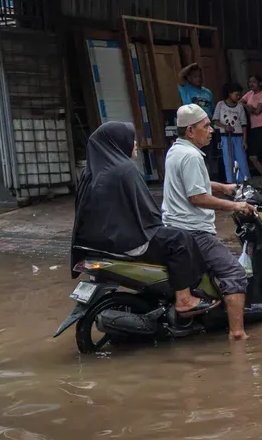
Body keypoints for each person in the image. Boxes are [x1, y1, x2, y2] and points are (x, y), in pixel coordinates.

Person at [70, 121, 217, 317]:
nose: (136, 144)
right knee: (180, 239)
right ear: (118, 143)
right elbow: (149, 213)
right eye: (131, 139)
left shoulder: (91, 174)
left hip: (99, 243)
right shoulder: (125, 170)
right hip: (126, 242)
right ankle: (184, 299)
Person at [163, 104, 258, 342]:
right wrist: (237, 205)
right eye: (206, 126)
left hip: (174, 227)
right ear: (191, 131)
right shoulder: (192, 156)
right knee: (234, 273)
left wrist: (224, 187)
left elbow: (195, 183)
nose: (211, 131)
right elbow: (197, 198)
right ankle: (238, 335)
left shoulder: (175, 150)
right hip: (194, 231)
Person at [213, 83, 250, 184]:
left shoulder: (240, 107)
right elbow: (215, 120)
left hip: (238, 137)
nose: (238, 97)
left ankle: (243, 182)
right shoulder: (220, 104)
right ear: (229, 94)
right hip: (225, 137)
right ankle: (231, 182)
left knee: (241, 160)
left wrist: (244, 140)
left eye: (239, 95)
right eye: (236, 94)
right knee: (229, 160)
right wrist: (225, 127)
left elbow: (244, 125)